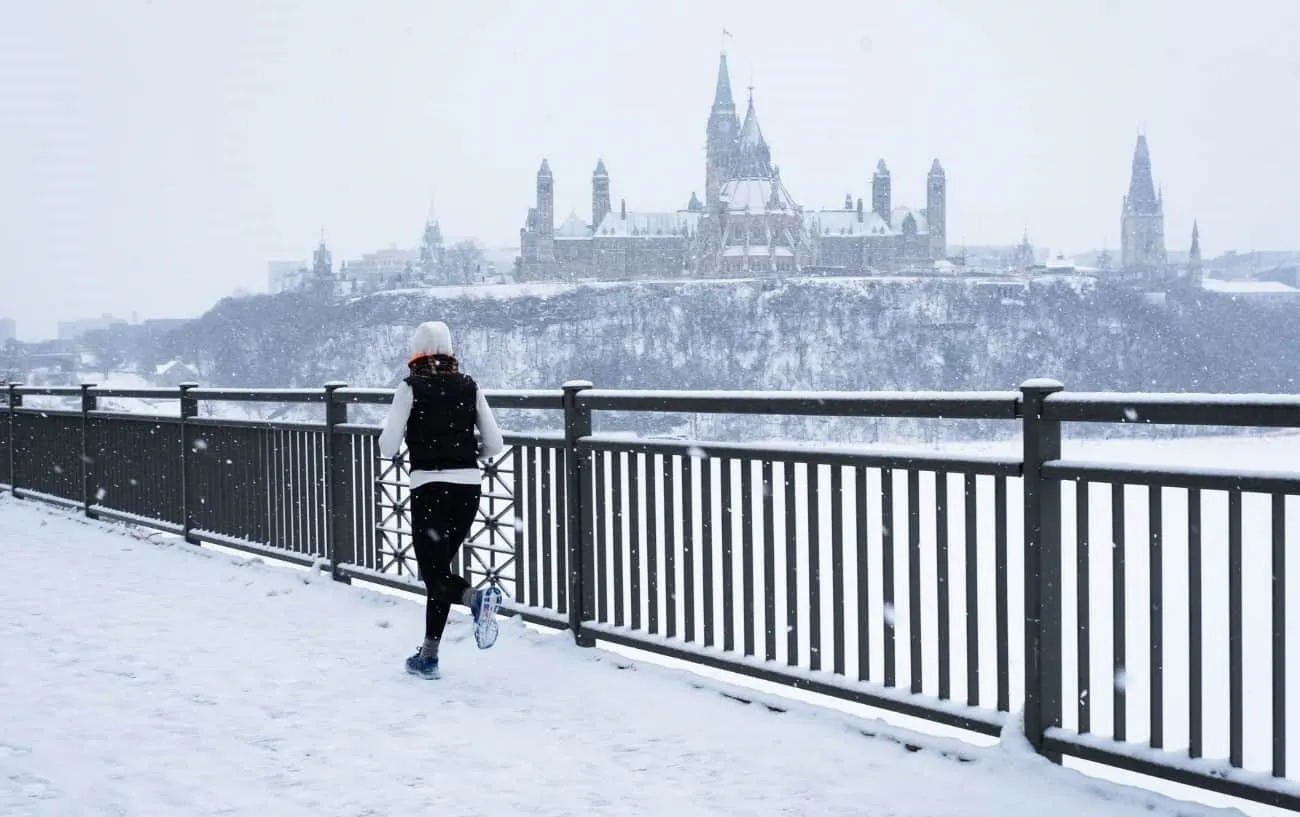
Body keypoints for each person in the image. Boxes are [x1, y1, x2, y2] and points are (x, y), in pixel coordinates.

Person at [379, 320, 506, 680]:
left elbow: (387, 447)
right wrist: (464, 455)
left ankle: (477, 600)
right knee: (440, 574)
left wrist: (417, 440)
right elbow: (495, 444)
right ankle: (428, 656)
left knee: (434, 575)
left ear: (416, 352)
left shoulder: (410, 387)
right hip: (468, 489)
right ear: (450, 351)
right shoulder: (468, 386)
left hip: (429, 489)